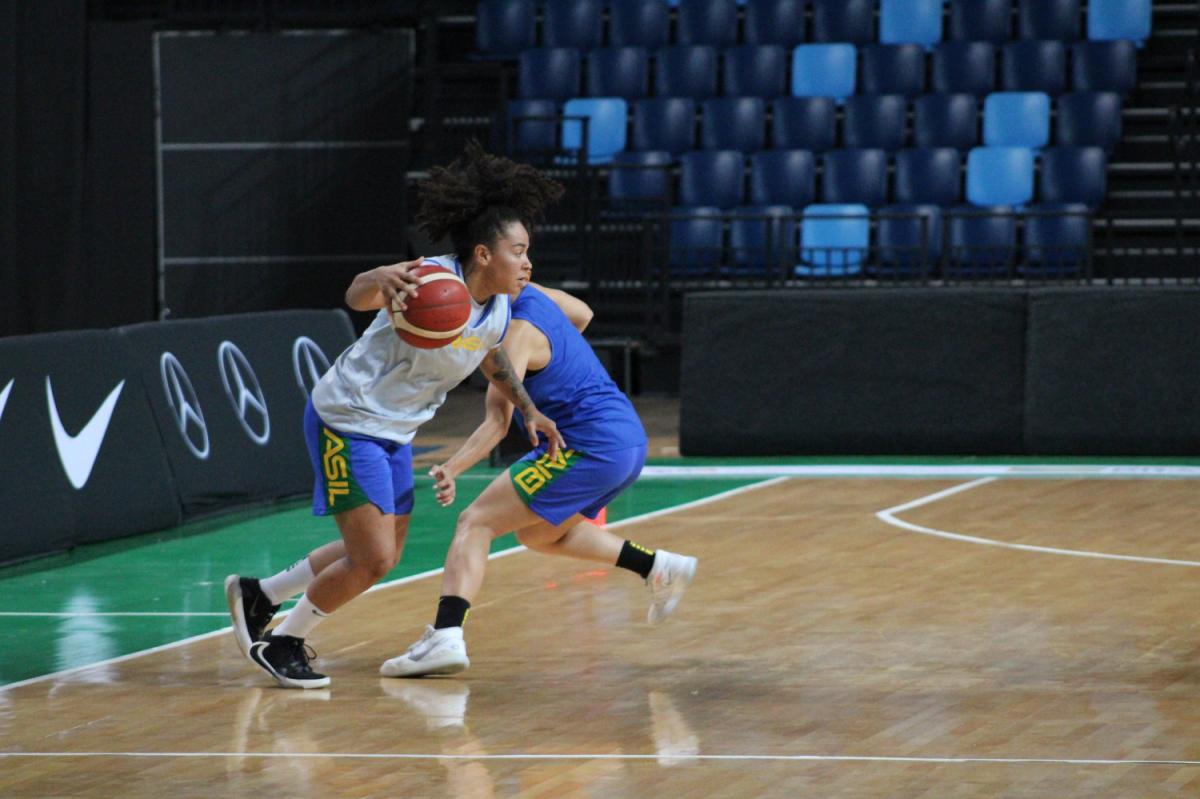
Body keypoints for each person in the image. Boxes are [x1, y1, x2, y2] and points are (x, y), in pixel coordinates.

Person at [225, 142, 567, 689]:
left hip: (396, 429)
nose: (528, 262)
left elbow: (490, 355)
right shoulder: (428, 279)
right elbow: (359, 296)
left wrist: (530, 410)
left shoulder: (500, 305)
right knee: (374, 558)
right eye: (518, 251)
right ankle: (283, 641)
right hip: (349, 419)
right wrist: (378, 277)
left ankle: (259, 594)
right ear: (483, 254)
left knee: (382, 545)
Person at [378, 261, 697, 678]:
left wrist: (453, 468)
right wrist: (560, 357)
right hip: (626, 441)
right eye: (518, 251)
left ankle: (446, 635)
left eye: (525, 250)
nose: (526, 261)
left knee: (475, 522)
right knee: (541, 534)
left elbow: (496, 424)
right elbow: (582, 314)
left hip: (589, 444)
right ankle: (656, 567)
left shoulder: (514, 337)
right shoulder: (537, 295)